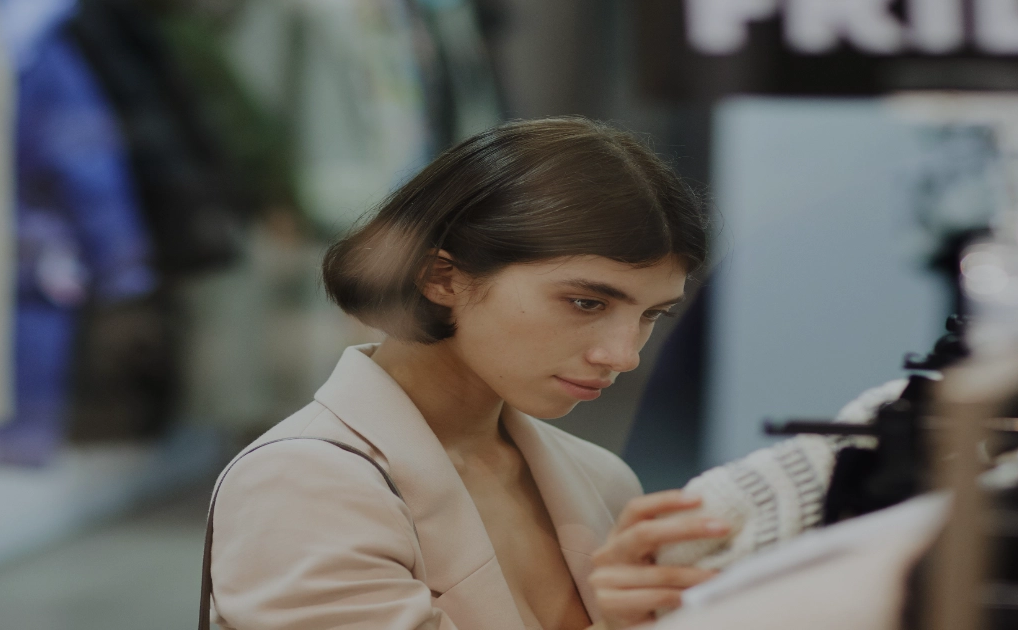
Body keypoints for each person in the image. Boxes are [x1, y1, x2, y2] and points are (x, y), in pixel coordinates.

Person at [203, 117, 726, 630]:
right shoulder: (305, 486)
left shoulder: (601, 479)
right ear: (440, 277)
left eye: (651, 315)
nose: (624, 354)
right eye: (586, 302)